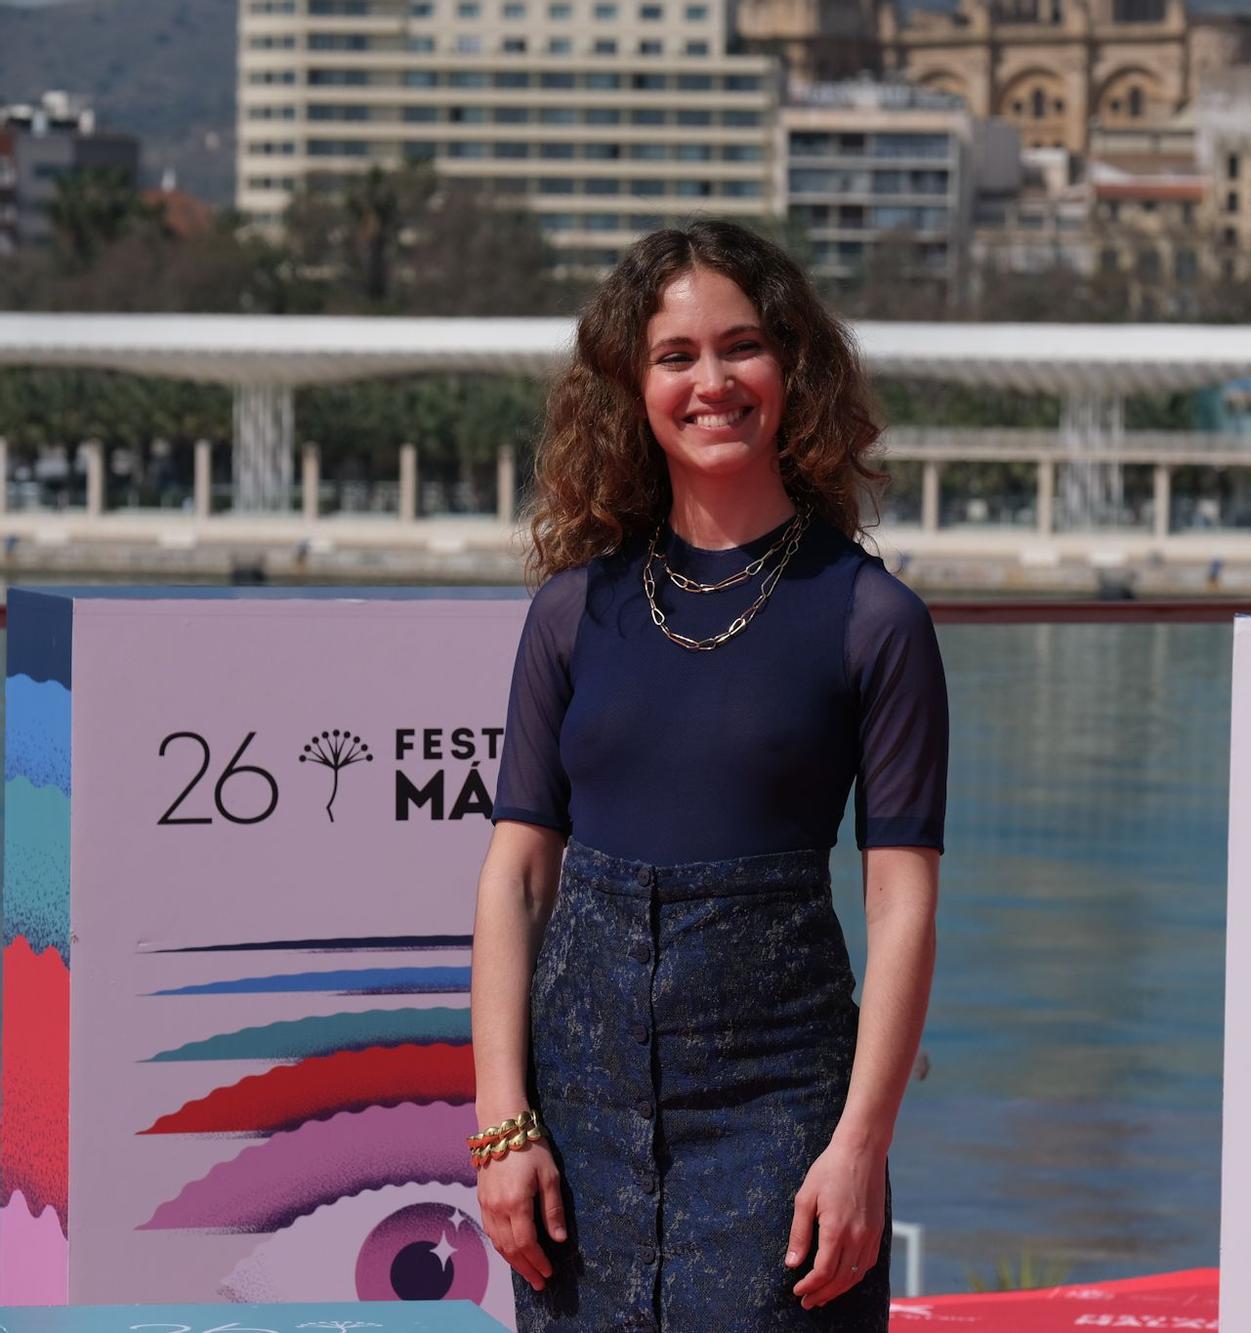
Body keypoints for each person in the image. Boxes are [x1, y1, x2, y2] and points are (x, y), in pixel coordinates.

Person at [469, 218, 948, 1330]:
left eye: (741, 347)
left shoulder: (874, 621)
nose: (712, 382)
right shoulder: (568, 613)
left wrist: (858, 1148)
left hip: (782, 1105)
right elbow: (517, 880)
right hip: (573, 1112)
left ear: (793, 370)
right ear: (630, 390)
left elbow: (902, 904)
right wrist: (505, 1123)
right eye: (674, 356)